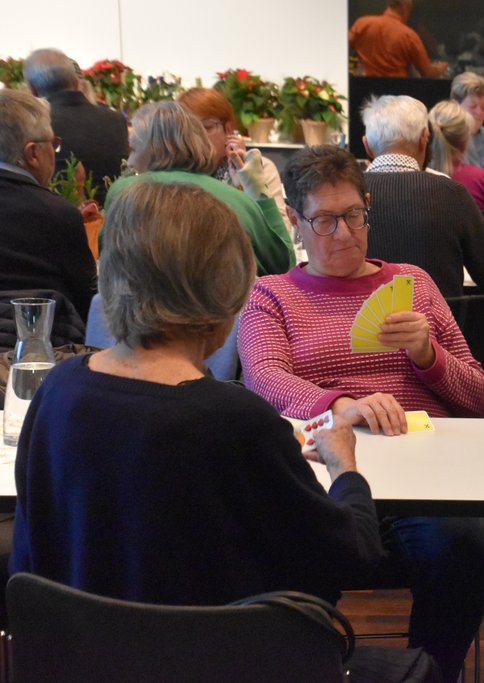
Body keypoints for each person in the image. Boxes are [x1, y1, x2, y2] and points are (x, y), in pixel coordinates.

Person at [9, 179, 382, 608]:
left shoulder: (57, 392)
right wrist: (345, 468)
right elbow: (352, 558)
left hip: (76, 646)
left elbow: (31, 559)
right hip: (228, 648)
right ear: (225, 287)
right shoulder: (237, 421)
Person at [238, 145, 484, 682]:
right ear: (294, 221)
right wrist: (340, 405)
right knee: (287, 558)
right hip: (323, 469)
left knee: (460, 550)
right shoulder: (271, 295)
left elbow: (477, 397)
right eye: (325, 220)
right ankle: (318, 669)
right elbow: (263, 378)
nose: (345, 234)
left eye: (354, 215)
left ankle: (430, 673)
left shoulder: (413, 284)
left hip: (421, 471)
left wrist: (427, 354)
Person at [103, 101, 294, 277]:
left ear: (156, 148)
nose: (130, 161)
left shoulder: (124, 192)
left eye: (134, 150)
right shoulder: (239, 201)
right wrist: (258, 190)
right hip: (227, 301)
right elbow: (283, 263)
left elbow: (108, 265)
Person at [358, 95, 484, 303]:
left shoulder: (346, 196)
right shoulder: (451, 193)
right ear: (424, 138)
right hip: (436, 322)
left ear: (367, 145)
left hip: (357, 323)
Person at [0, 89, 96, 322]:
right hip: (42, 340)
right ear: (33, 153)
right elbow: (88, 301)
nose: (54, 151)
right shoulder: (55, 214)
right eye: (53, 144)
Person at [23, 48, 128, 204]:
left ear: (32, 89)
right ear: (76, 82)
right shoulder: (116, 120)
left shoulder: (35, 126)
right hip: (118, 211)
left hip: (60, 214)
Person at [178, 87, 288, 223]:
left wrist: (244, 184)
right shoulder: (177, 174)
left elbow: (281, 229)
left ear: (228, 129)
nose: (196, 137)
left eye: (206, 127)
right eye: (187, 130)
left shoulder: (258, 168)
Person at [427, 99, 484, 246]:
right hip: (476, 259)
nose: (480, 112)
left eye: (483, 107)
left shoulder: (411, 179)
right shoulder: (482, 180)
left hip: (424, 260)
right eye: (473, 106)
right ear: (465, 143)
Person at [348, 0, 448, 78]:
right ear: (405, 7)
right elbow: (427, 73)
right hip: (396, 91)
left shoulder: (362, 24)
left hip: (364, 88)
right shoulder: (409, 36)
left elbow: (343, 49)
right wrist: (440, 68)